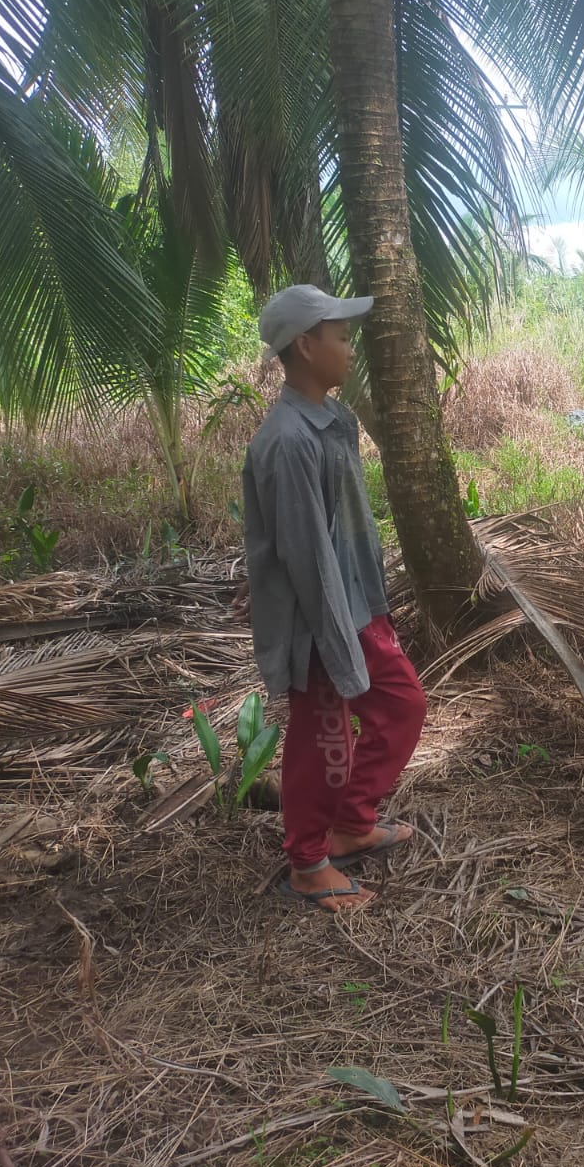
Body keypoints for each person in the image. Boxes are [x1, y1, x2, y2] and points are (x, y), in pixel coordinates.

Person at [241, 284, 428, 911]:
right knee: (323, 737)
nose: (350, 348)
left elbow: (349, 531)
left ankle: (353, 821)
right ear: (305, 344)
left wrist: (371, 606)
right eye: (340, 336)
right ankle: (308, 864)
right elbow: (303, 554)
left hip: (355, 605)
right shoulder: (288, 441)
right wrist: (335, 639)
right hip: (320, 619)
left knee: (400, 704)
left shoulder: (334, 421)